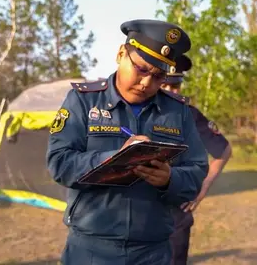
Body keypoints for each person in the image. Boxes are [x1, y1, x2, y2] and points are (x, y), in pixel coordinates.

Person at [46, 19, 208, 265]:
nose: (146, 83)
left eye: (158, 76)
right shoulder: (83, 101)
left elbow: (197, 171)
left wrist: (169, 180)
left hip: (153, 252)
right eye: (142, 69)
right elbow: (59, 163)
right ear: (121, 53)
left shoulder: (178, 112)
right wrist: (111, 159)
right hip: (91, 249)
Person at [161, 55, 232, 265]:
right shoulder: (134, 111)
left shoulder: (189, 115)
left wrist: (202, 187)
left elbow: (223, 150)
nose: (172, 91)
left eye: (176, 85)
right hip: (137, 213)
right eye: (165, 84)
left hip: (175, 214)